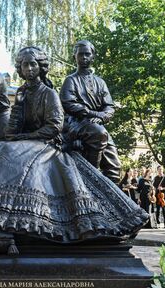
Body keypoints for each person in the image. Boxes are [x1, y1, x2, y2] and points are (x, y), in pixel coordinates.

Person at [0, 46, 148, 245]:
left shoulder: (49, 93)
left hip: (47, 144)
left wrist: (26, 136)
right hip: (26, 142)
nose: (29, 68)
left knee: (15, 153)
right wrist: (14, 130)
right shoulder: (22, 94)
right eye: (25, 65)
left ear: (41, 67)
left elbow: (54, 127)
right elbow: (12, 128)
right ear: (21, 69)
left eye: (33, 64)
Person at [60, 40, 121, 183]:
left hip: (97, 124)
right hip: (77, 124)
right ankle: (92, 179)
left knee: (115, 167)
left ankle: (110, 201)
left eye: (87, 54)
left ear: (93, 57)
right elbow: (69, 104)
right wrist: (93, 114)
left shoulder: (100, 82)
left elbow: (109, 107)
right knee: (99, 133)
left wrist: (101, 118)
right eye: (80, 54)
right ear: (74, 56)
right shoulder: (70, 80)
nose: (84, 57)